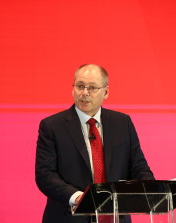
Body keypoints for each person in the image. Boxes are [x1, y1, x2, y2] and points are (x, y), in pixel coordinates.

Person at [36, 64, 155, 223]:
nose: (84, 93)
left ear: (105, 92)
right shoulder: (52, 126)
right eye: (80, 86)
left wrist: (151, 189)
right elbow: (45, 175)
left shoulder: (122, 123)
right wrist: (79, 198)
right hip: (69, 217)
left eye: (92, 88)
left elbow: (138, 167)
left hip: (115, 218)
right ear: (73, 89)